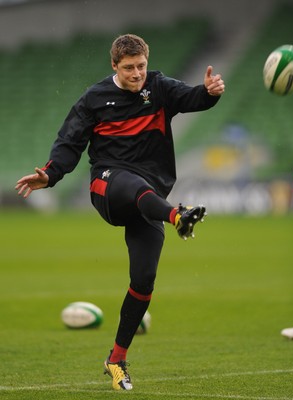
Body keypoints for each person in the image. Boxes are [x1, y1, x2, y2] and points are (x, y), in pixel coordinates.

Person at [15, 33, 225, 390]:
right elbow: (69, 143)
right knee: (134, 185)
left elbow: (191, 98)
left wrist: (209, 91)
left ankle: (116, 359)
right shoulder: (94, 99)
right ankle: (178, 216)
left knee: (143, 281)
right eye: (129, 68)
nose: (137, 74)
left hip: (148, 197)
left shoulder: (157, 86)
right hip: (108, 187)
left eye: (141, 66)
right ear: (114, 66)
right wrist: (49, 175)